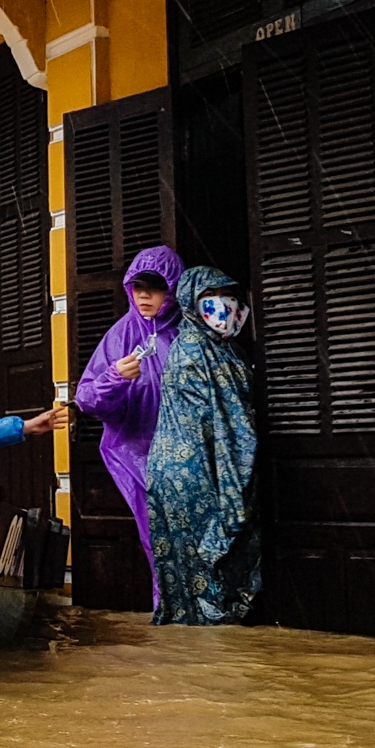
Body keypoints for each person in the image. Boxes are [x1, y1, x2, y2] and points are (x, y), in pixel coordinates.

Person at [146, 266, 262, 626]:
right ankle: (217, 655)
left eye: (229, 296)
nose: (224, 307)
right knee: (211, 568)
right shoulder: (198, 352)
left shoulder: (210, 348)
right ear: (191, 303)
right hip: (197, 474)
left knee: (190, 568)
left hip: (177, 472)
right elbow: (232, 424)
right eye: (211, 298)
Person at [74, 247, 184, 582]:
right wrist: (115, 378)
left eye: (155, 286)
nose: (145, 295)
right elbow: (87, 400)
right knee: (158, 541)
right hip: (137, 455)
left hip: (188, 456)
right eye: (138, 287)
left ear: (174, 288)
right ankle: (169, 613)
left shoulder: (190, 332)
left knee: (199, 538)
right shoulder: (121, 335)